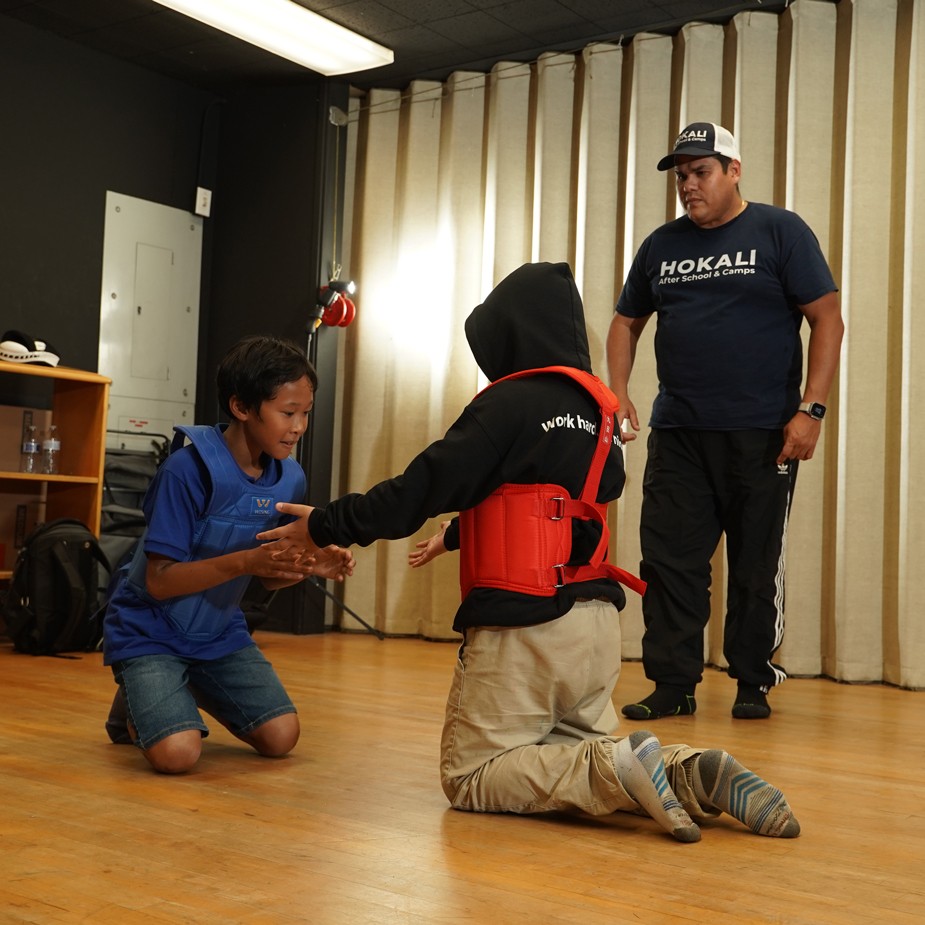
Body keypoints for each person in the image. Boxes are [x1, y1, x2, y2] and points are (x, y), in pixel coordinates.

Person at [259, 262, 800, 841]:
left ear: (511, 332)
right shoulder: (599, 416)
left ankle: (620, 767)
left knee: (472, 774)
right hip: (594, 631)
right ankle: (684, 772)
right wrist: (461, 533)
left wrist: (326, 523)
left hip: (524, 629)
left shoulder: (507, 404)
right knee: (569, 747)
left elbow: (420, 489)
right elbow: (566, 501)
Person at [607, 122, 844, 722]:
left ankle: (751, 679)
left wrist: (810, 409)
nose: (688, 185)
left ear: (734, 171)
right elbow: (625, 321)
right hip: (681, 433)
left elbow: (828, 319)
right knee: (670, 562)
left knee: (755, 562)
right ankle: (672, 683)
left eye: (701, 172)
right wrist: (617, 391)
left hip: (765, 433)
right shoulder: (662, 245)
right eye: (681, 175)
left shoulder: (779, 231)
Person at [102, 335, 355, 773]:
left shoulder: (289, 478)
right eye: (287, 413)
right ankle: (139, 695)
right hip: (150, 630)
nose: (298, 427)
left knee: (281, 738)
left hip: (218, 635)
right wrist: (247, 562)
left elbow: (268, 576)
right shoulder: (186, 471)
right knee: (178, 756)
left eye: (305, 414)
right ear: (241, 407)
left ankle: (167, 689)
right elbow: (159, 582)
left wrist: (308, 565)